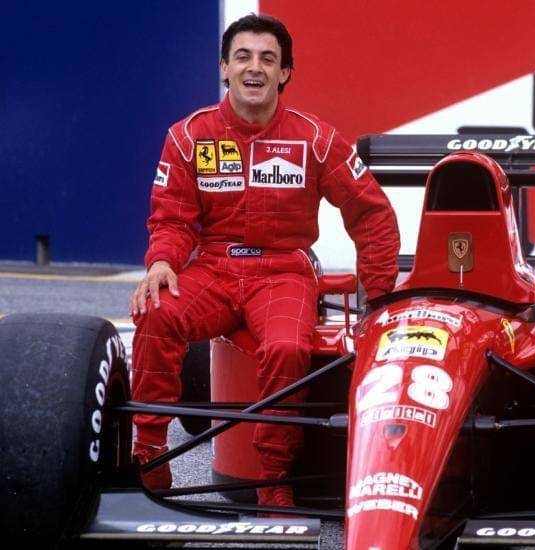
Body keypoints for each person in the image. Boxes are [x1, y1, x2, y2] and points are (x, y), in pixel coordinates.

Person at [129, 14, 400, 508]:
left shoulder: (315, 138)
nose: (254, 67)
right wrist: (162, 261)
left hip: (282, 271)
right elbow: (171, 219)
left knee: (286, 348)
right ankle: (149, 455)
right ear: (224, 68)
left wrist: (379, 297)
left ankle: (273, 478)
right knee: (155, 310)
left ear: (284, 73)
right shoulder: (188, 136)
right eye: (243, 57)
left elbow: (373, 214)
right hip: (213, 268)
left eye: (268, 59)